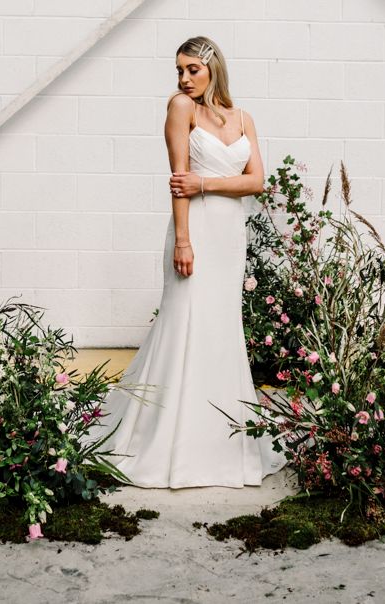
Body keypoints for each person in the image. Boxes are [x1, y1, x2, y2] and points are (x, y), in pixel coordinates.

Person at [85, 36, 286, 488]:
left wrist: (206, 185)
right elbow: (177, 182)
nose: (184, 78)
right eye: (179, 70)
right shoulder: (181, 109)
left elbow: (257, 181)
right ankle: (171, 440)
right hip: (193, 233)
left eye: (192, 69)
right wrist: (182, 240)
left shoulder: (242, 118)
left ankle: (222, 437)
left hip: (229, 237)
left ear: (214, 67)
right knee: (184, 325)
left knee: (220, 329)